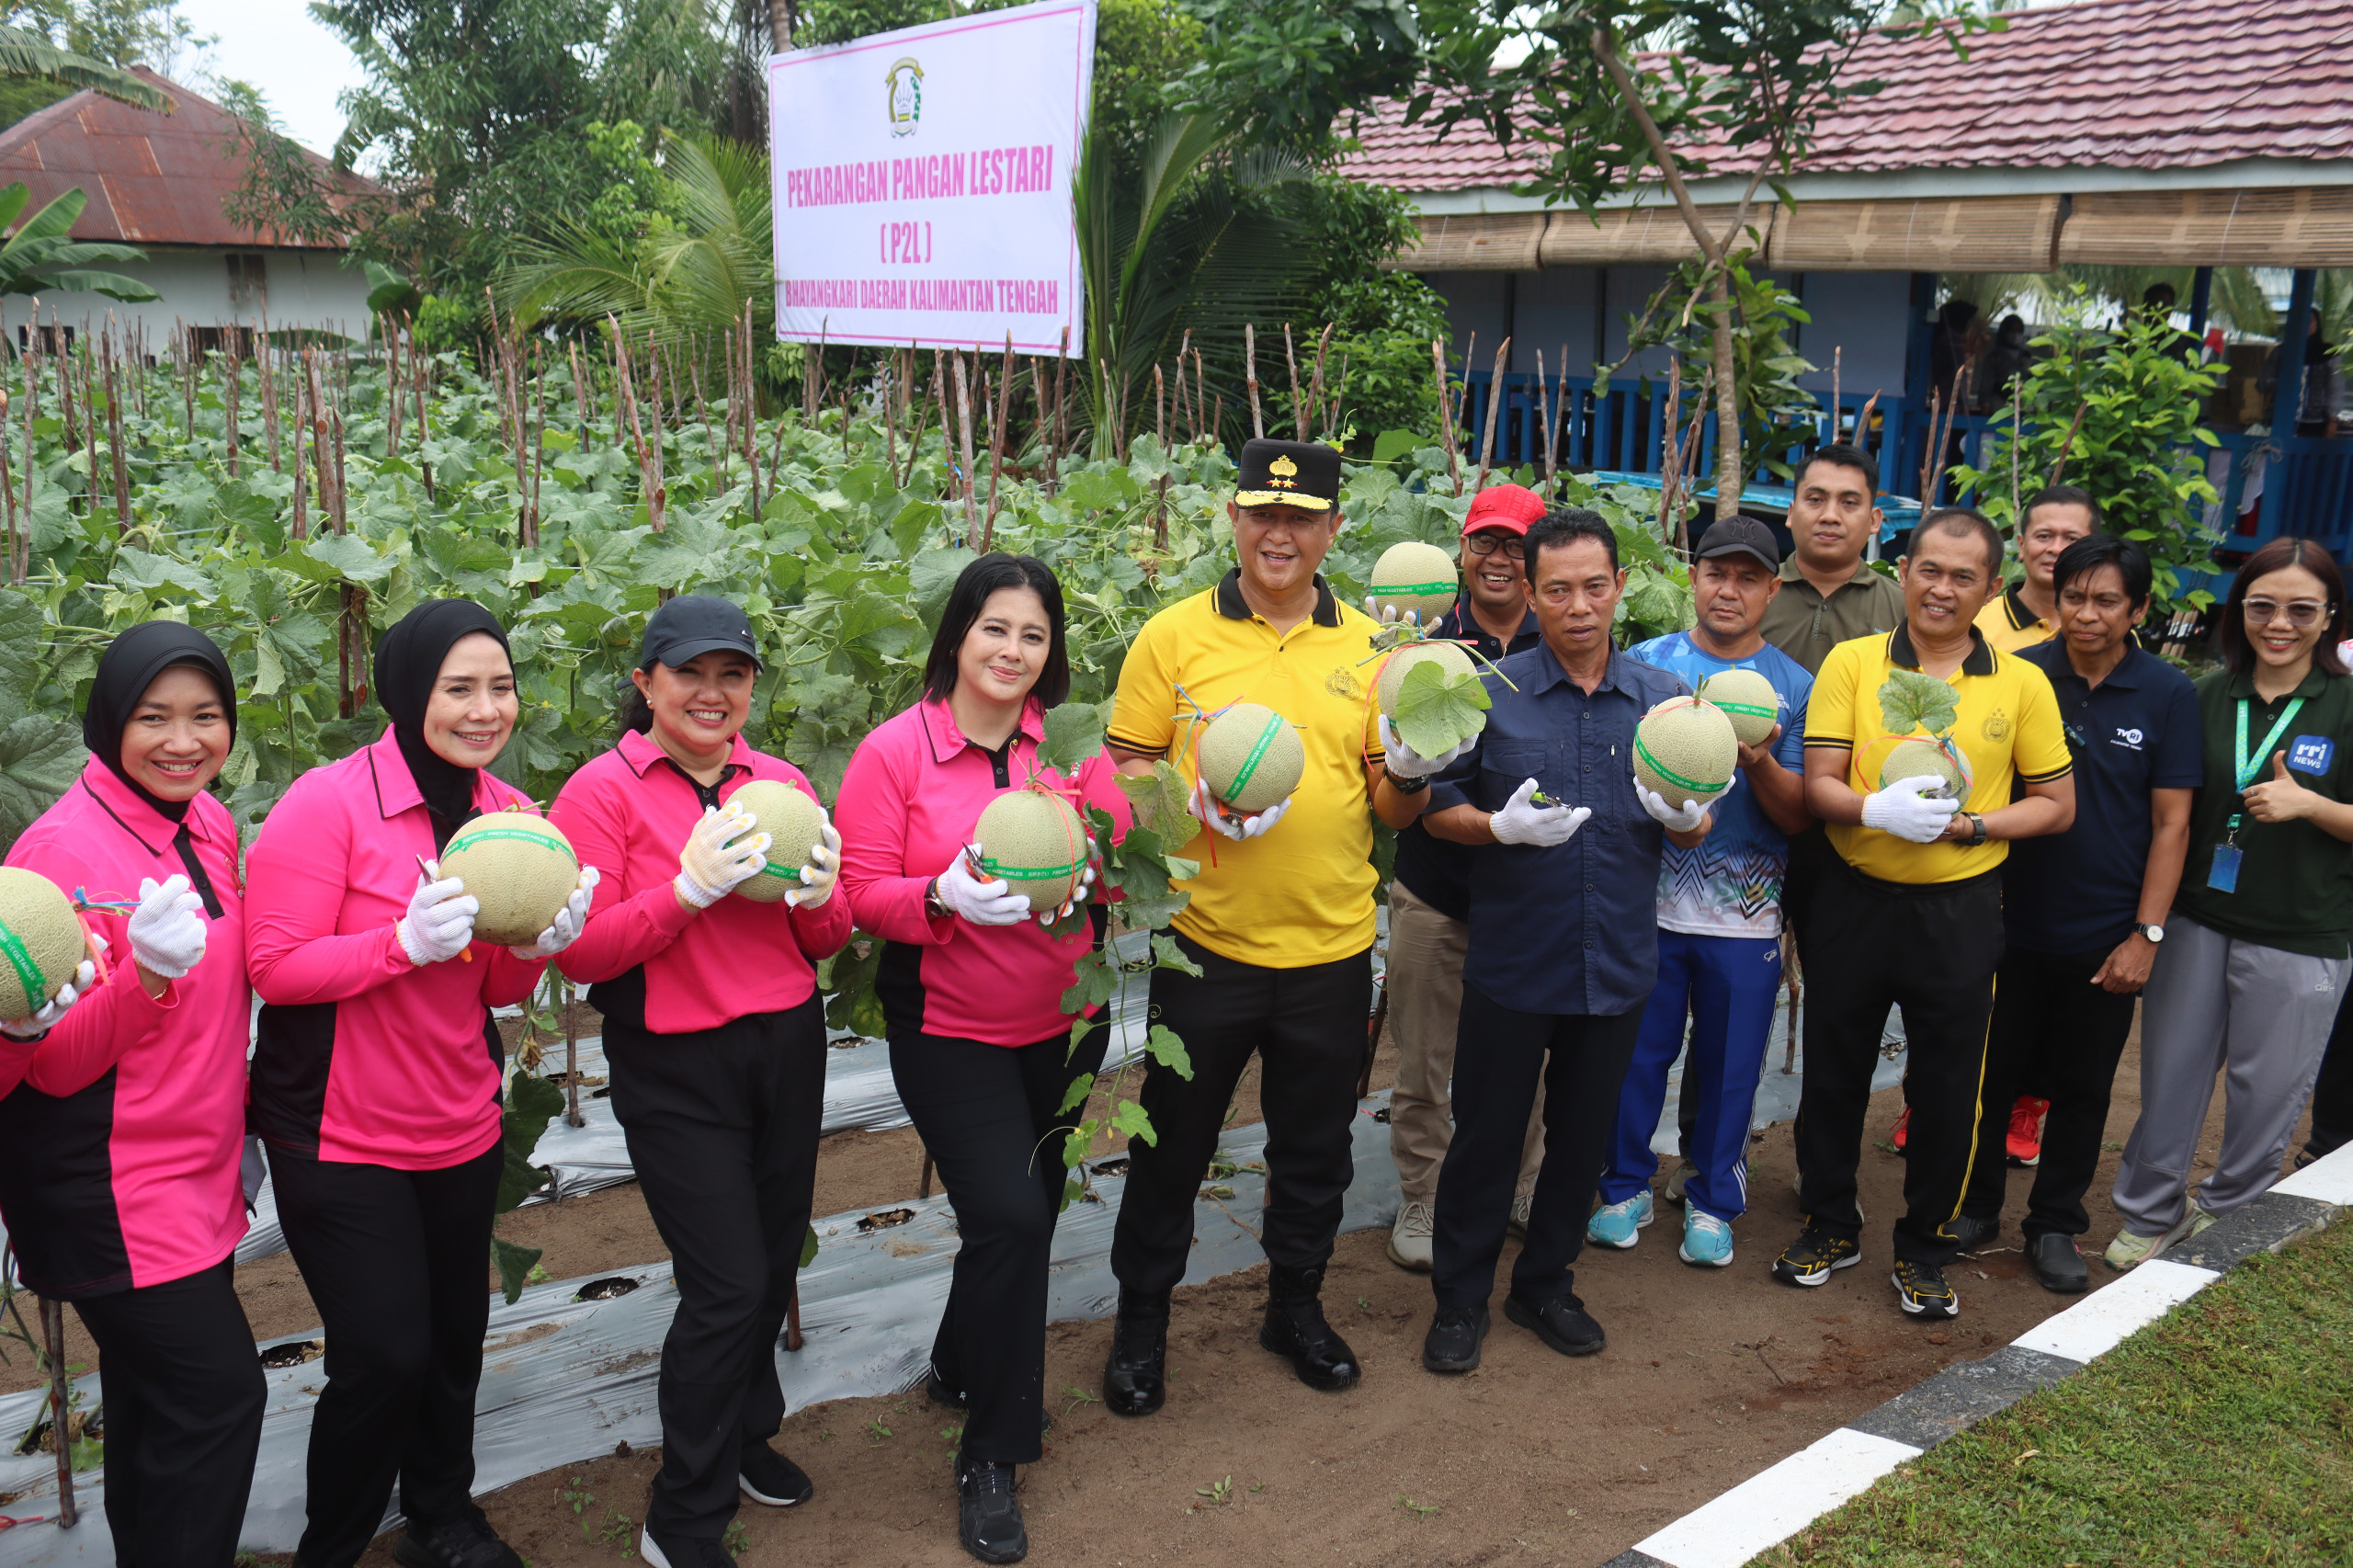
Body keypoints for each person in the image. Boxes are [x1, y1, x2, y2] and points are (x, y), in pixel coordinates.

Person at [246, 600, 597, 1568]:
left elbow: (495, 987)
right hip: (337, 1126)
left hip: (457, 1116)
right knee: (383, 1354)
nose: (485, 710)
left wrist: (538, 943)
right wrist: (397, 943)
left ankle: (441, 1516)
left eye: (501, 687)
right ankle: (333, 1544)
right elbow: (275, 966)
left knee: (451, 1338)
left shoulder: (514, 818)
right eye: (459, 688)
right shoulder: (328, 802)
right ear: (407, 693)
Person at [1098, 437, 1424, 1415]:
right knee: (1173, 1144)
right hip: (1208, 943)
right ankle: (1142, 1321)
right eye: (1263, 514)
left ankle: (1296, 1305)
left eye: (1301, 519)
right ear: (1234, 519)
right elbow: (1123, 767)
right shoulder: (1173, 636)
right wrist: (1186, 802)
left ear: (1333, 529)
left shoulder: (1373, 649)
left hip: (1332, 947)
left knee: (1314, 1148)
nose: (1279, 534)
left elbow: (1392, 807)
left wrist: (1411, 771)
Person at [834, 554, 1131, 1564]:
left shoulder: (1071, 746)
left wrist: (1102, 869)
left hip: (1067, 1023)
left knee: (1027, 1211)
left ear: (1052, 651)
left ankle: (960, 1364)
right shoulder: (895, 751)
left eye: (1033, 634)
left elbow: (1119, 869)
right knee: (1011, 1217)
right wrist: (939, 895)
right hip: (950, 1031)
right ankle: (993, 1450)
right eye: (995, 627)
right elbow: (857, 895)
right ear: (959, 632)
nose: (1012, 649)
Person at [550, 595, 847, 1568]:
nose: (712, 693)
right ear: (646, 683)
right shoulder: (598, 792)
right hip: (675, 1062)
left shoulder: (782, 782)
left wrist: (822, 894)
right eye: (689, 673)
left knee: (771, 1257)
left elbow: (826, 937)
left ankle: (745, 1432)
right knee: (726, 1283)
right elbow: (583, 951)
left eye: (733, 674)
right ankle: (681, 1514)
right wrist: (684, 891)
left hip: (786, 1044)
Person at [1414, 506, 1711, 1373]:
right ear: (1531, 593)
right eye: (1558, 590)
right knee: (1487, 1137)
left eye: (1594, 586)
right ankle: (1460, 1299)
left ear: (1621, 586)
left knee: (1582, 1140)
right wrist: (1496, 828)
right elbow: (1436, 810)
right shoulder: (1491, 692)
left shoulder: (1664, 702)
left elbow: (1696, 818)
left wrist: (1687, 817)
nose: (1578, 606)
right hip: (1514, 960)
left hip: (1616, 960)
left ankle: (1545, 1284)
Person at [0, 623, 262, 1566]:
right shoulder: (58, 854)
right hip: (108, 1184)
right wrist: (145, 978)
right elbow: (53, 1065)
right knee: (220, 1397)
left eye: (206, 716)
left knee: (157, 1408)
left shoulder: (208, 820)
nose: (183, 741)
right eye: (154, 718)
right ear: (111, 720)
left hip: (192, 1167)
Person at [1778, 508, 2074, 1320]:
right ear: (1903, 571)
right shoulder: (1853, 661)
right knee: (1833, 1072)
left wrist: (1973, 825)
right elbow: (1821, 784)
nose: (1943, 589)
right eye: (1930, 570)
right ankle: (1830, 1223)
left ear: (1991, 587)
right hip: (1855, 898)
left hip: (1959, 908)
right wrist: (1873, 810)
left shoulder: (2021, 682)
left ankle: (1926, 1247)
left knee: (1948, 1085)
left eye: (1964, 577)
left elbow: (2056, 803)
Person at [1955, 536, 2199, 1292]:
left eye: (2106, 601)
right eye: (2073, 598)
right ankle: (1976, 1206)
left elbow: (2172, 824)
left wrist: (2146, 934)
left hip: (2104, 932)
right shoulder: (2018, 675)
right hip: (2007, 918)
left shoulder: (2167, 693)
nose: (2087, 614)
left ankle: (2054, 1223)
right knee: (1990, 1074)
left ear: (2139, 609)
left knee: (2085, 1087)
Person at [2108, 538, 2353, 1267]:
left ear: (2330, 616)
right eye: (2262, 606)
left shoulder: (2346, 703)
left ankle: (2228, 1213)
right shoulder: (2206, 696)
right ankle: (2152, 1212)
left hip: (2301, 930)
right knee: (2172, 1075)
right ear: (2239, 608)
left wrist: (2312, 805)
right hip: (2197, 920)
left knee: (2267, 1092)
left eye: (2302, 610)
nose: (2280, 623)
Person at [1591, 517, 1813, 1268]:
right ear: (1694, 577)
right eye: (1718, 573)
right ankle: (1623, 1187)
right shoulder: (1647, 667)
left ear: (1772, 590)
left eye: (1749, 578)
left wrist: (1758, 761)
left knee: (1728, 1069)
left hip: (1744, 913)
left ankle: (1713, 1199)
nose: (1729, 589)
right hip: (1645, 905)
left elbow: (1797, 815)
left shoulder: (1792, 687)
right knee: (1634, 1059)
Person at [1381, 482, 1549, 1273]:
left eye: (1516, 545)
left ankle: (1524, 1182)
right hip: (1436, 889)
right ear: (1462, 550)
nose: (1499, 559)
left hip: (1530, 897)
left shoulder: (1562, 640)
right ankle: (1425, 1192)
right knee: (1424, 1059)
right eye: (1486, 542)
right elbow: (1408, 792)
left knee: (1531, 1058)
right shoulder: (1422, 639)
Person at [1759, 445, 1904, 677]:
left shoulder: (1903, 608)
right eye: (1816, 499)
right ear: (1791, 513)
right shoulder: (1752, 593)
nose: (1830, 516)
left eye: (1849, 503)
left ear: (1874, 520)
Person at [1974, 486, 2099, 654]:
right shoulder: (1974, 626)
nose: (2056, 548)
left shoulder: (2109, 631)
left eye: (2071, 538)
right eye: (2044, 536)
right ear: (2021, 545)